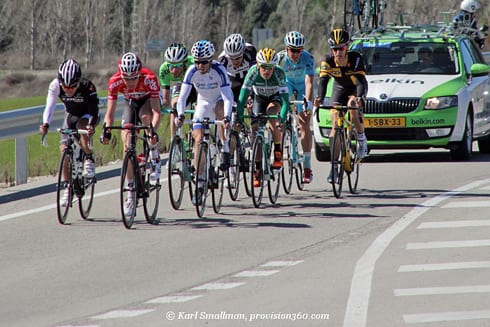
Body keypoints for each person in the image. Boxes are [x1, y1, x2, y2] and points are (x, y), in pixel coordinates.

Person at [100, 52, 162, 215]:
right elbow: (110, 113)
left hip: (147, 101)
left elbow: (157, 111)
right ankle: (131, 193)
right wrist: (106, 129)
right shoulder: (115, 82)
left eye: (133, 78)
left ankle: (154, 152)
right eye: (126, 79)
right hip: (130, 103)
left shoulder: (149, 78)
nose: (130, 82)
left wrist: (152, 131)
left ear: (139, 73)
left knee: (145, 117)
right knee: (127, 144)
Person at [175, 40, 234, 203]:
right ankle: (200, 182)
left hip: (219, 100)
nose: (200, 65)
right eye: (197, 61)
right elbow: (182, 97)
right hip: (203, 103)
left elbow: (228, 97)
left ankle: (225, 148)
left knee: (221, 111)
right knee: (199, 139)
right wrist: (180, 115)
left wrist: (227, 117)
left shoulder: (219, 70)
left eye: (203, 62)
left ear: (210, 60)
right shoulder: (191, 70)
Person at [40, 59, 100, 207]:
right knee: (64, 150)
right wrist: (46, 123)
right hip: (71, 115)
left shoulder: (88, 86)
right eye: (65, 87)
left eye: (72, 86)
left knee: (83, 130)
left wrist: (91, 125)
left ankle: (89, 158)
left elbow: (94, 109)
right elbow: (50, 105)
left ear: (79, 81)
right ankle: (67, 187)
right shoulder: (55, 86)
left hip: (87, 115)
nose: (68, 90)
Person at [314, 28, 368, 184]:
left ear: (347, 47)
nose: (338, 52)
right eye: (335, 49)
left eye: (341, 48)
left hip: (356, 87)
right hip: (339, 89)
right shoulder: (327, 60)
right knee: (335, 121)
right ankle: (334, 167)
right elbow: (323, 82)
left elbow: (359, 82)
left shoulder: (355, 58)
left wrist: (358, 98)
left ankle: (360, 136)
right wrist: (319, 98)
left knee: (352, 106)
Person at [235, 48, 289, 187]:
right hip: (259, 98)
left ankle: (277, 151)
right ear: (258, 65)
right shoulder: (252, 72)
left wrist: (281, 118)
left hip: (274, 98)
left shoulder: (279, 74)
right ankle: (257, 169)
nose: (267, 71)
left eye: (270, 68)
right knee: (255, 131)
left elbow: (286, 101)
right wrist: (239, 117)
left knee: (272, 115)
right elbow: (242, 99)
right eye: (264, 67)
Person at [277, 31, 316, 184]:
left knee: (304, 122)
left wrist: (308, 102)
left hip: (302, 88)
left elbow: (309, 82)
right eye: (292, 50)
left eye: (298, 50)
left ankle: (307, 165)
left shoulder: (308, 58)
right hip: (286, 84)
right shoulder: (280, 59)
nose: (295, 53)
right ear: (286, 49)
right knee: (279, 116)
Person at [158, 43, 196, 139]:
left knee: (197, 107)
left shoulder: (192, 64)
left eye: (178, 65)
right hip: (180, 85)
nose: (174, 70)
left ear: (184, 62)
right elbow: (166, 100)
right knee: (174, 105)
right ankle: (174, 139)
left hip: (195, 85)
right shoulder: (163, 69)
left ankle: (194, 132)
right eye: (171, 66)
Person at [218, 33, 257, 102]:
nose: (235, 61)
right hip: (233, 80)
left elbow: (256, 72)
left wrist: (251, 94)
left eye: (238, 57)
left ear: (243, 52)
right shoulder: (222, 60)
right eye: (231, 58)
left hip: (248, 77)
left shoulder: (251, 51)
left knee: (253, 100)